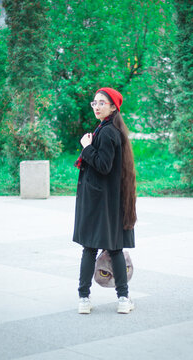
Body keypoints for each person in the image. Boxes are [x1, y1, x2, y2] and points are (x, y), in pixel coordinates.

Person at [73, 87, 137, 314]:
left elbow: (103, 165)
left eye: (102, 103)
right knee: (113, 248)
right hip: (105, 201)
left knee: (91, 249)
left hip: (100, 202)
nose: (97, 107)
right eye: (95, 103)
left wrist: (87, 148)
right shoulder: (106, 129)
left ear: (113, 107)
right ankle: (122, 299)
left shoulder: (108, 132)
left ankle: (85, 299)